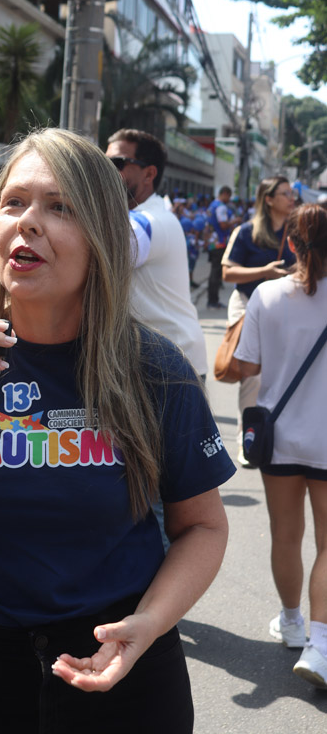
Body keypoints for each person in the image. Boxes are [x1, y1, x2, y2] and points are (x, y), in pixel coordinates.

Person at [0, 128, 235, 734]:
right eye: (14, 202)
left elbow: (204, 526)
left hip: (123, 663)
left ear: (102, 238)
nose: (27, 223)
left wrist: (148, 623)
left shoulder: (155, 367)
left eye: (60, 207)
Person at [235, 203, 327, 688]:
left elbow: (247, 367)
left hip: (279, 435)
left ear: (290, 243)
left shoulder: (267, 296)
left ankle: (292, 621)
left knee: (285, 536)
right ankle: (321, 645)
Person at [105, 128, 208, 378]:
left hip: (173, 367)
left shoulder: (150, 221)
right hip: (151, 360)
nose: (107, 170)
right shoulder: (135, 216)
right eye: (103, 161)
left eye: (117, 162)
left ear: (149, 173)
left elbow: (99, 259)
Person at [222, 175, 296, 463]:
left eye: (292, 194)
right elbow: (228, 272)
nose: (291, 198)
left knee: (282, 372)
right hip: (248, 304)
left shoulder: (299, 232)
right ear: (268, 199)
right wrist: (265, 271)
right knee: (252, 374)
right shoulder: (246, 231)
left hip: (287, 309)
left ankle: (276, 434)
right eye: (285, 193)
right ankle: (248, 437)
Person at [207, 185, 239, 309]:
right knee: (216, 273)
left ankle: (212, 300)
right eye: (229, 196)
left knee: (214, 272)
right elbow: (224, 225)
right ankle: (213, 301)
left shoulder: (212, 205)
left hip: (212, 242)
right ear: (225, 193)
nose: (229, 199)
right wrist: (234, 221)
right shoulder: (221, 207)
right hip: (219, 242)